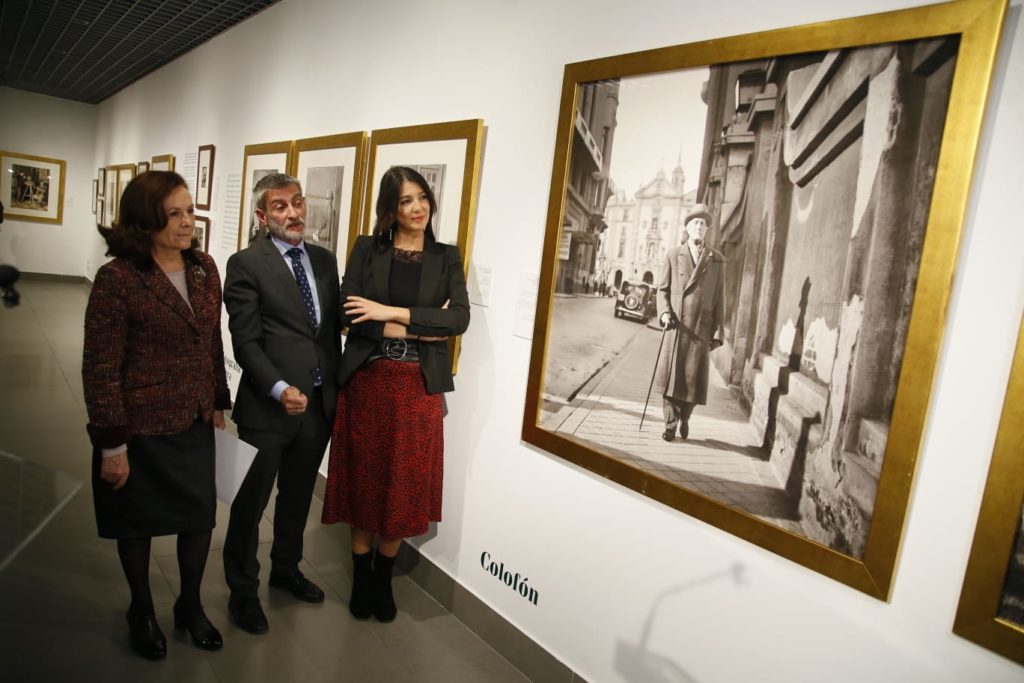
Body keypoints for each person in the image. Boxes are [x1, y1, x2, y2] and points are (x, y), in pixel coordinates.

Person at [82, 171, 230, 660]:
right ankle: (141, 610)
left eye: (190, 211)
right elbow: (101, 366)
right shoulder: (119, 279)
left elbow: (210, 338)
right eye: (175, 214)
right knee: (137, 523)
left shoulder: (205, 267)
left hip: (191, 417)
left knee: (198, 517)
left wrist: (218, 399)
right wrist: (112, 444)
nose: (188, 222)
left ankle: (189, 606)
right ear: (146, 221)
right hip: (139, 425)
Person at [322, 166, 470, 622]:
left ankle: (383, 579)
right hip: (369, 379)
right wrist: (424, 320)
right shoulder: (368, 249)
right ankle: (361, 575)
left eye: (423, 197)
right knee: (364, 481)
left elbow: (459, 320)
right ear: (392, 207)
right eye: (406, 200)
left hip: (416, 388)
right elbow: (349, 312)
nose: (418, 207)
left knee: (401, 486)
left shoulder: (446, 256)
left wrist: (388, 311)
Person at [222, 173, 341, 634]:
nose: (292, 214)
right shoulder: (246, 264)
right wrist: (277, 388)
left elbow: (327, 333)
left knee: (295, 499)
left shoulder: (325, 261)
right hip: (268, 408)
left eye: (297, 203)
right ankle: (243, 592)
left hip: (316, 405)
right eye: (279, 207)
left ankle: (286, 570)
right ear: (261, 216)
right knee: (250, 504)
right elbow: (245, 341)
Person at [654, 203, 725, 442]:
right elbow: (662, 290)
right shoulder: (674, 254)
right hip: (677, 325)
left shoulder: (716, 260)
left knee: (693, 382)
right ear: (687, 227)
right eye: (695, 222)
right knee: (671, 378)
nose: (699, 226)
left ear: (707, 230)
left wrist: (718, 332)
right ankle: (670, 424)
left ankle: (685, 417)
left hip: (701, 329)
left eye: (703, 223)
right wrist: (664, 313)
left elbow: (719, 299)